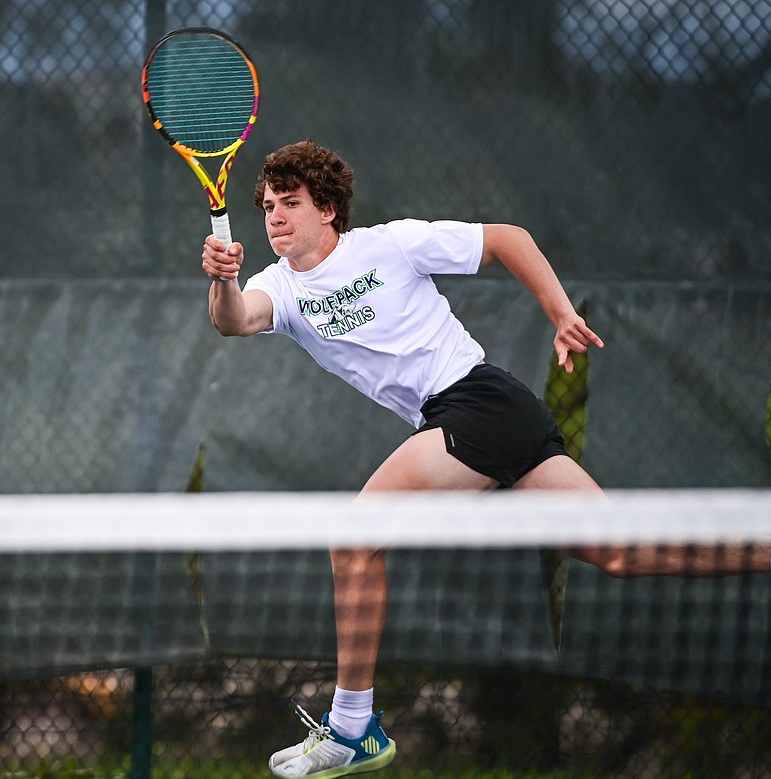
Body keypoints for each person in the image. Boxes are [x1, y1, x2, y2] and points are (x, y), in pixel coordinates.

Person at [199, 139, 771, 779]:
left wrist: (559, 311)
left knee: (354, 539)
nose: (275, 216)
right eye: (269, 205)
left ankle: (353, 727)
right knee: (618, 553)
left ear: (328, 208)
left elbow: (506, 237)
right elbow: (234, 321)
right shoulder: (275, 285)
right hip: (478, 421)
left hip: (480, 402)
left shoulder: (390, 245)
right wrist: (222, 279)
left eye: (291, 203)